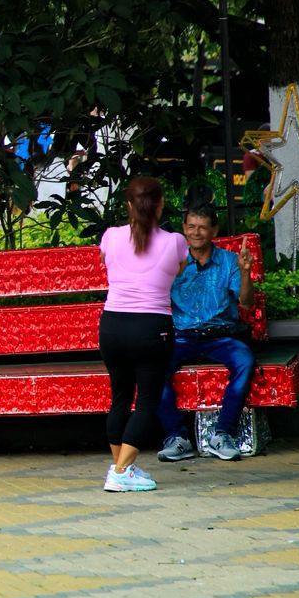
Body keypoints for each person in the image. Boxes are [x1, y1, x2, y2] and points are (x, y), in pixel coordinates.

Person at [97, 176, 188, 493]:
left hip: (112, 326)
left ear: (128, 206)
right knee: (147, 401)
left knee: (120, 397)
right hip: (151, 329)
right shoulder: (175, 241)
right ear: (160, 205)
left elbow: (105, 262)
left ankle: (122, 467)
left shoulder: (110, 236)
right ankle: (121, 471)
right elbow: (179, 269)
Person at [156, 204, 255, 463]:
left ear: (214, 230)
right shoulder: (172, 262)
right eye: (191, 227)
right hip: (182, 336)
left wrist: (245, 273)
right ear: (183, 230)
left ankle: (223, 434)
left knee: (244, 361)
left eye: (202, 227)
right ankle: (176, 438)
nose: (196, 233)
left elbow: (246, 303)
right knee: (153, 367)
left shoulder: (230, 260)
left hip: (221, 335)